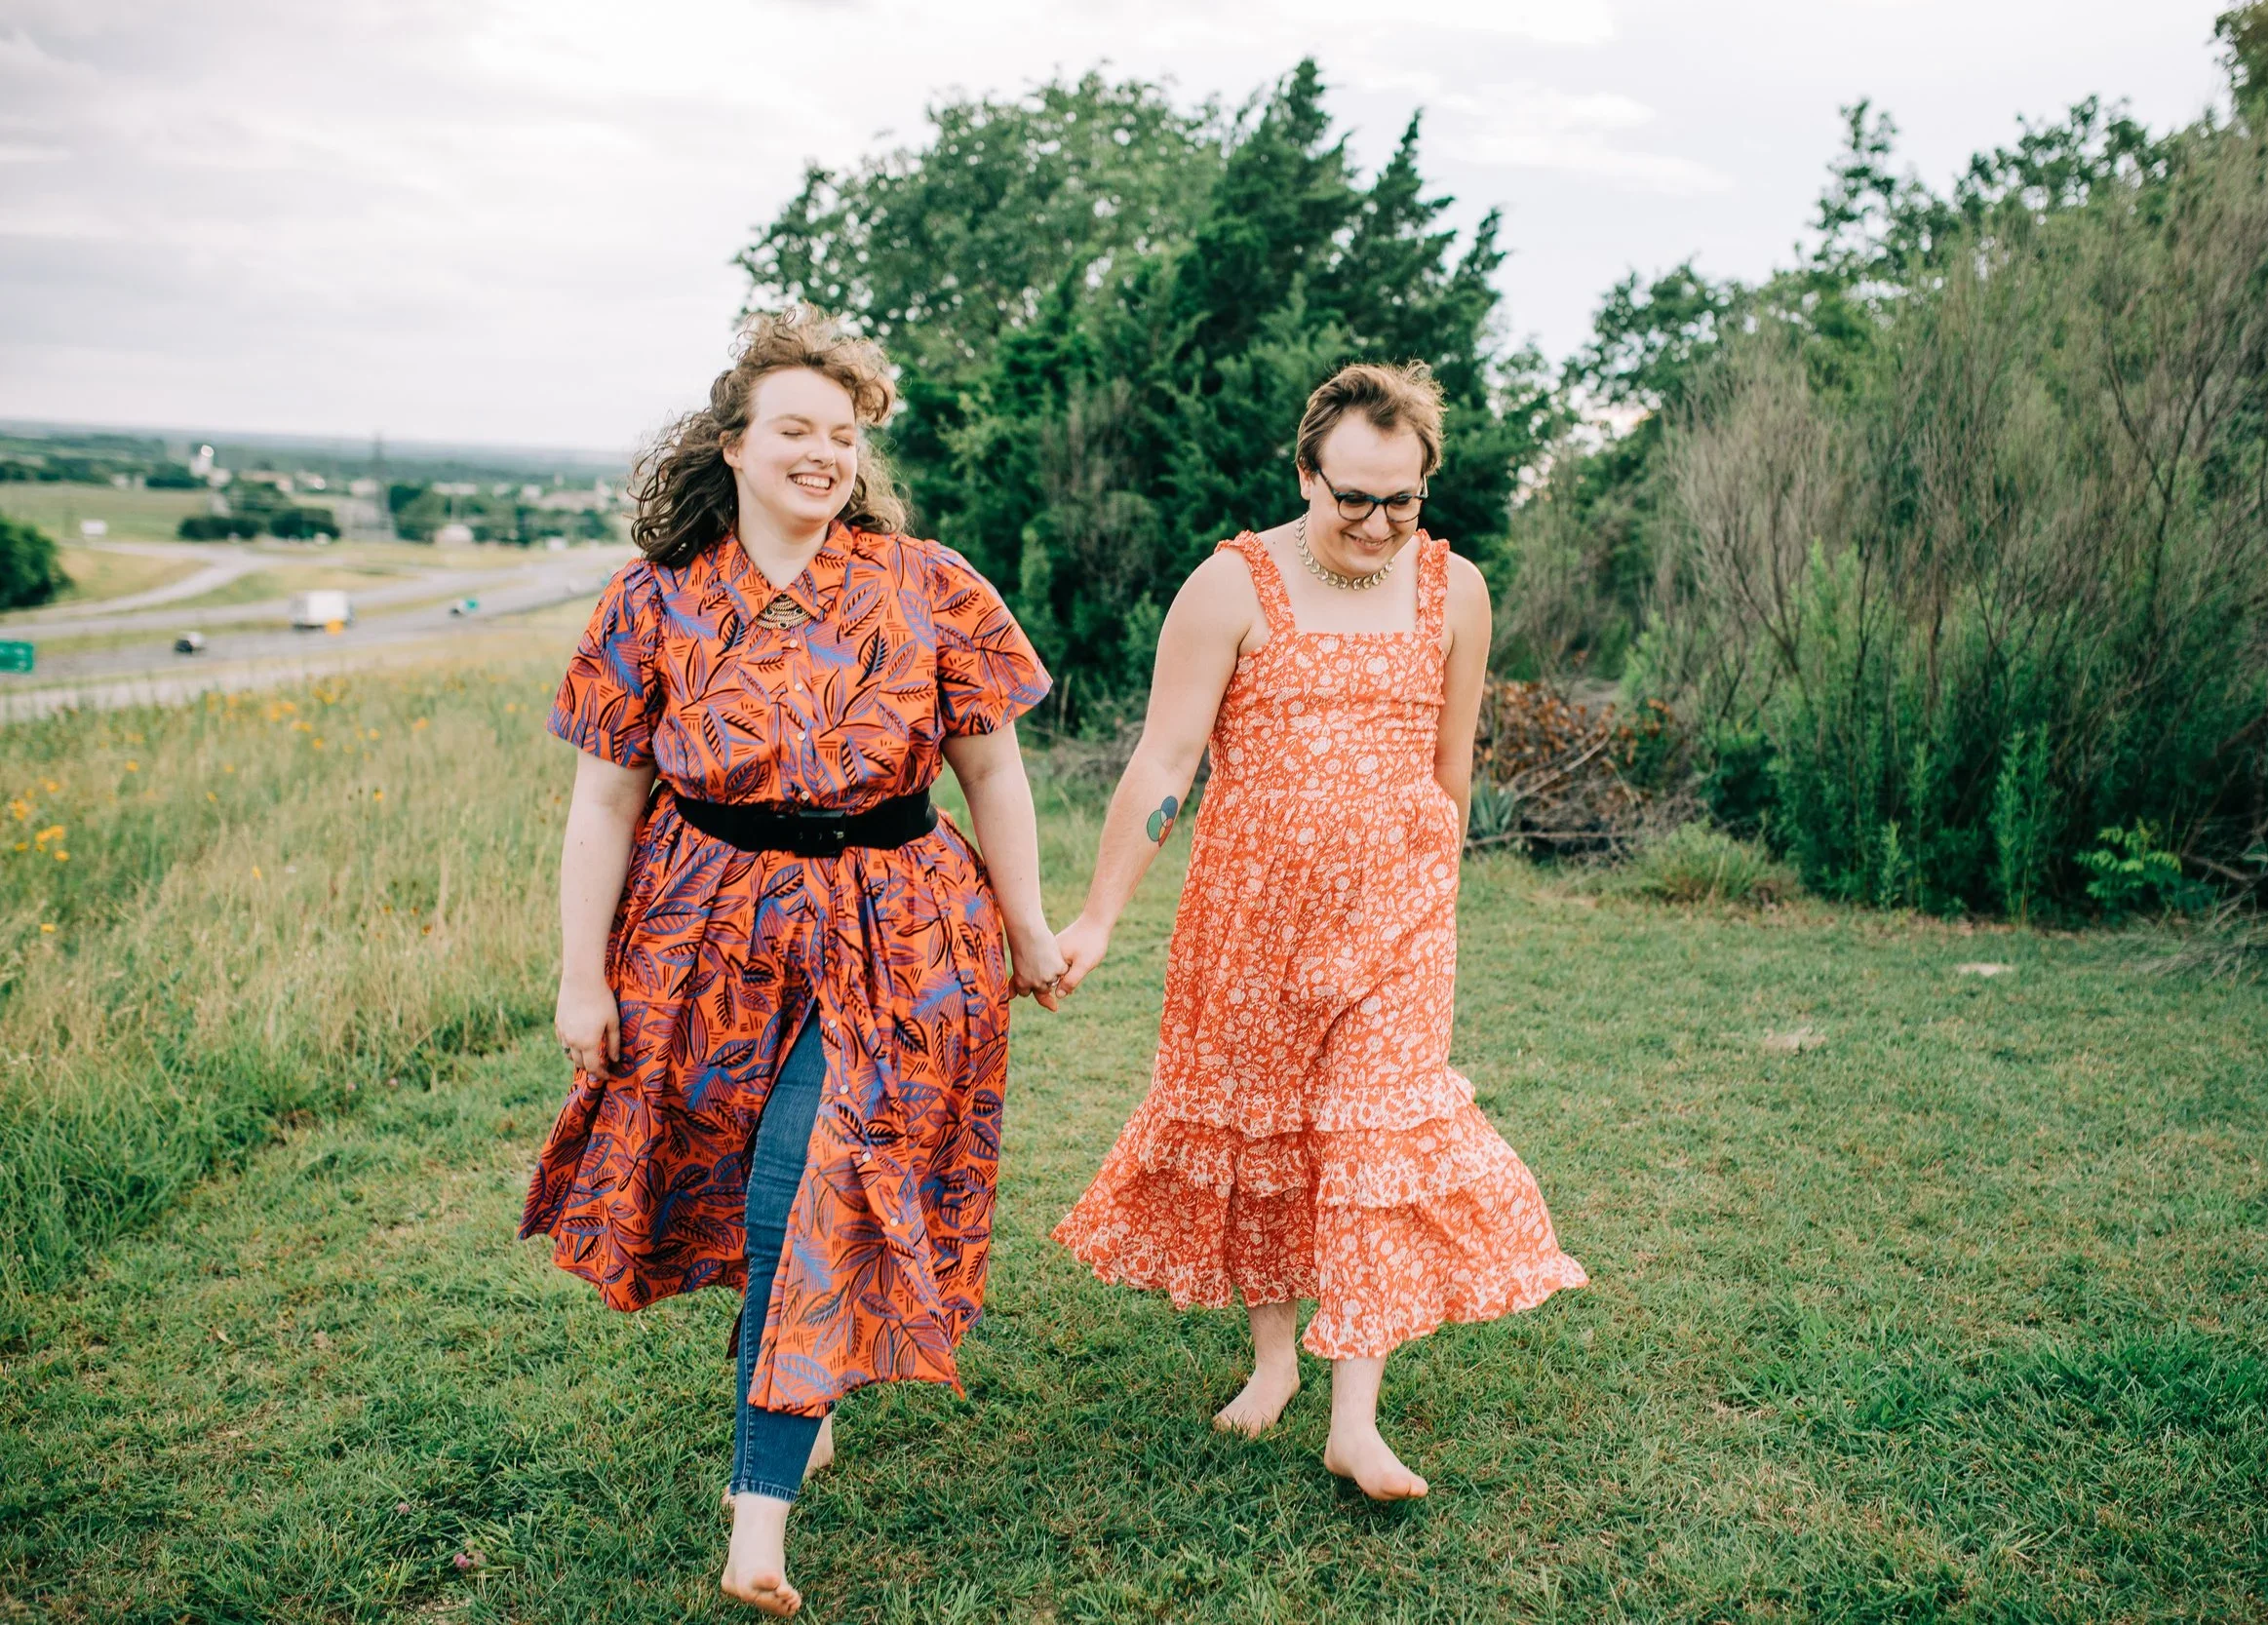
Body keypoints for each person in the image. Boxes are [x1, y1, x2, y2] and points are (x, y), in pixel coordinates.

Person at [521, 307, 1063, 1616]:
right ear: (735, 442)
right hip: (703, 929)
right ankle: (804, 1378)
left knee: (807, 1178)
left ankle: (755, 1515)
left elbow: (994, 769)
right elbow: (604, 800)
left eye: (843, 433)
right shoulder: (652, 599)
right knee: (740, 1180)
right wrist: (579, 977)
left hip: (900, 927)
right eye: (794, 430)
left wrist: (1029, 927)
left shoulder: (930, 583)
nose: (822, 453)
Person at [1048, 362, 1587, 1500]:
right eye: (1352, 497)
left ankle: (1357, 1415)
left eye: (1402, 499)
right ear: (1305, 473)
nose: (1378, 523)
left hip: (1395, 925)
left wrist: (1432, 899)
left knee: (1372, 1136)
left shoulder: (1456, 592)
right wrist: (1098, 914)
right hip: (1250, 922)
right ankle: (1274, 1357)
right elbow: (1164, 761)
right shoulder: (1229, 587)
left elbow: (1451, 764)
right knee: (1269, 1131)